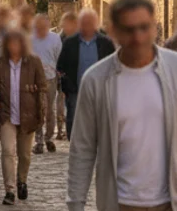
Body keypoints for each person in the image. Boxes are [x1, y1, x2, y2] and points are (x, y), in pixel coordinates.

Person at [66, 0, 177, 211]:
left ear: (154, 27)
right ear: (112, 31)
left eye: (144, 27)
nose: (138, 37)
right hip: (121, 209)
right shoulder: (97, 80)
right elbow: (83, 148)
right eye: (129, 29)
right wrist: (76, 207)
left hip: (173, 207)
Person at [0, 28, 47, 205]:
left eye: (17, 42)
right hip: (6, 114)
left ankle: (21, 180)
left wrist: (41, 111)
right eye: (10, 43)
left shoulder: (33, 62)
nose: (14, 46)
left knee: (24, 154)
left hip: (27, 115)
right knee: (8, 151)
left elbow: (43, 87)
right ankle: (9, 190)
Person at [57, 8, 115, 139]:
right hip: (76, 89)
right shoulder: (70, 43)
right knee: (74, 117)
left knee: (99, 120)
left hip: (100, 90)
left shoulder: (105, 43)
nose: (87, 25)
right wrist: (66, 84)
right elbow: (61, 66)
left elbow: (113, 65)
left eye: (90, 22)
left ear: (96, 24)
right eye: (84, 22)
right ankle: (74, 143)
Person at [30, 13, 63, 154]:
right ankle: (39, 141)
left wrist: (59, 74)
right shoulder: (30, 38)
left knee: (49, 109)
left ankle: (49, 137)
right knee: (38, 110)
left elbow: (59, 57)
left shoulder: (55, 39)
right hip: (34, 79)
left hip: (50, 78)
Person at [55, 11, 79, 139]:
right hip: (64, 80)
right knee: (68, 107)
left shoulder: (81, 39)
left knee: (73, 108)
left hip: (78, 80)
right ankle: (64, 132)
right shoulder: (59, 38)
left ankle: (73, 134)